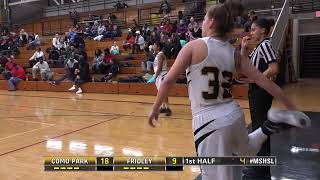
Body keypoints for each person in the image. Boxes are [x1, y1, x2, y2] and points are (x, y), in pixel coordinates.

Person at [148, 2, 311, 180]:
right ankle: (269, 125)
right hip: (233, 114)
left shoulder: (193, 47)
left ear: (210, 23)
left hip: (208, 121)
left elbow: (169, 80)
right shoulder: (234, 53)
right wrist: (291, 106)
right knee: (247, 151)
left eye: (203, 21)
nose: (202, 24)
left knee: (214, 175)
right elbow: (265, 82)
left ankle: (270, 124)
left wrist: (155, 107)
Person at [242, 18, 277, 180]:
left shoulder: (265, 45)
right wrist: (243, 48)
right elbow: (245, 64)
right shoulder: (258, 47)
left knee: (260, 130)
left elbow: (273, 68)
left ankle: (261, 171)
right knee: (258, 129)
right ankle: (259, 167)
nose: (251, 32)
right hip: (257, 91)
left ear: (263, 30)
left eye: (254, 29)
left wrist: (258, 79)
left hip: (261, 93)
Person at [151, 42, 172, 116]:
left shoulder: (160, 54)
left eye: (154, 45)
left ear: (158, 47)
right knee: (161, 92)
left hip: (162, 75)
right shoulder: (158, 54)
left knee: (163, 92)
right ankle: (163, 107)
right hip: (160, 75)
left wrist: (155, 76)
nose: (153, 46)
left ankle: (168, 108)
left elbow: (159, 68)